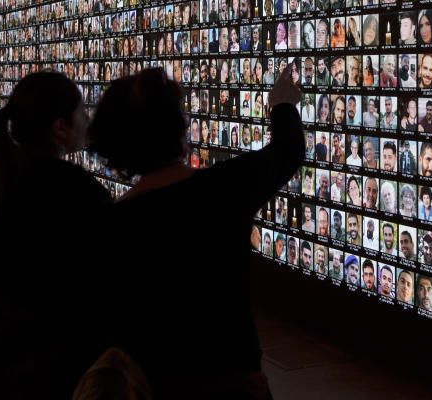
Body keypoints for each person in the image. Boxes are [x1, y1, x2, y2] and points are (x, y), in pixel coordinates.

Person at [87, 64, 303, 397]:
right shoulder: (223, 190)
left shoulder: (111, 225)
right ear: (179, 127)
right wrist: (282, 103)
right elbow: (288, 151)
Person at [0, 72, 112, 399]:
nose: (88, 120)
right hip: (59, 376)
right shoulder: (80, 196)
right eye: (82, 113)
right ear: (60, 128)